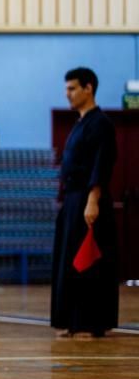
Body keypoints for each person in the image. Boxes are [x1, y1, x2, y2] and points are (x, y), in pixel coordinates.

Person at [51, 67, 119, 338]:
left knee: (89, 262)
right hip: (72, 200)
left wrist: (93, 200)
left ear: (88, 88)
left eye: (72, 88)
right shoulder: (80, 123)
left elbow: (101, 164)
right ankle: (73, 320)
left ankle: (93, 322)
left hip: (89, 200)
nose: (67, 93)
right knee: (70, 261)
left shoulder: (101, 123)